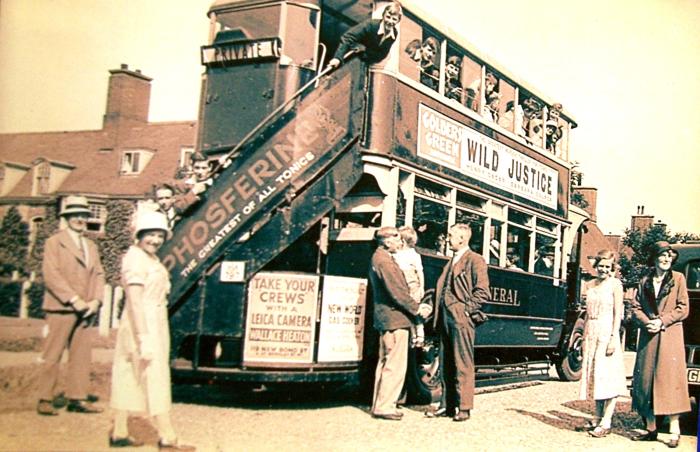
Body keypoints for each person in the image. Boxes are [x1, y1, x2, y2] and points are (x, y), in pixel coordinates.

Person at [109, 209, 195, 450]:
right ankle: (168, 436)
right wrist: (144, 337)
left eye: (159, 236)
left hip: (154, 318)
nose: (155, 240)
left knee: (129, 373)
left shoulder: (151, 259)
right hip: (142, 322)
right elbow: (135, 301)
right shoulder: (134, 259)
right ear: (139, 234)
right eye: (150, 235)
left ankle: (119, 431)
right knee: (154, 375)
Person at [36, 195, 105, 416]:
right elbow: (51, 275)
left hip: (86, 310)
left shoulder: (91, 245)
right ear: (66, 218)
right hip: (62, 307)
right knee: (52, 354)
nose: (79, 219)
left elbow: (99, 274)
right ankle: (45, 398)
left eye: (83, 215)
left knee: (81, 356)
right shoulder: (54, 242)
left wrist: (96, 300)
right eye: (74, 215)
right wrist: (74, 300)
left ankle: (77, 398)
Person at [368, 227, 432, 420]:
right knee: (394, 364)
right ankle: (386, 406)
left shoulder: (380, 258)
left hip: (387, 319)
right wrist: (417, 308)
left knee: (385, 362)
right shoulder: (385, 261)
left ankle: (380, 404)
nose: (400, 243)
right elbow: (397, 291)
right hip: (395, 319)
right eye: (397, 239)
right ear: (387, 241)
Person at [427, 223, 490, 421]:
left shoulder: (475, 259)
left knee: (463, 362)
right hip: (445, 317)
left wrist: (465, 309)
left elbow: (483, 292)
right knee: (446, 362)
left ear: (462, 238)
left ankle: (464, 407)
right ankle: (446, 405)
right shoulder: (452, 260)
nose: (447, 238)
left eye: (451, 235)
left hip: (460, 318)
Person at [630, 241, 690, 448]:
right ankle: (651, 428)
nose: (666, 259)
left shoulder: (678, 279)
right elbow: (635, 307)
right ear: (654, 258)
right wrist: (648, 322)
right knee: (645, 380)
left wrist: (662, 321)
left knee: (670, 380)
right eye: (662, 256)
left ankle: (675, 429)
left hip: (670, 336)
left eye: (669, 256)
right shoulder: (644, 280)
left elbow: (683, 308)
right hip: (649, 336)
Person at [577, 250, 626, 438]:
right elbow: (587, 313)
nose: (604, 269)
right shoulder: (590, 284)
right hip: (591, 331)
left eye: (608, 266)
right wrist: (583, 338)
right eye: (601, 266)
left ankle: (607, 421)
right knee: (595, 375)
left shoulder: (615, 285)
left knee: (608, 376)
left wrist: (614, 337)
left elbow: (617, 314)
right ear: (596, 266)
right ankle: (597, 418)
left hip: (607, 332)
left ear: (612, 268)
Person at [326, 2, 402, 70]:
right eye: (388, 17)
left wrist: (365, 50)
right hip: (350, 59)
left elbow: (381, 55)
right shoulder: (370, 25)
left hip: (362, 65)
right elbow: (348, 37)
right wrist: (337, 57)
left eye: (394, 19)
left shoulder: (394, 34)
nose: (390, 21)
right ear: (383, 16)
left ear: (398, 21)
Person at [394, 226, 426, 347]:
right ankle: (412, 335)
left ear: (403, 241)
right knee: (406, 311)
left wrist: (422, 287)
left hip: (412, 285)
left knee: (414, 310)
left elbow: (419, 272)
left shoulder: (414, 255)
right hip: (402, 284)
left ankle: (419, 332)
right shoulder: (397, 254)